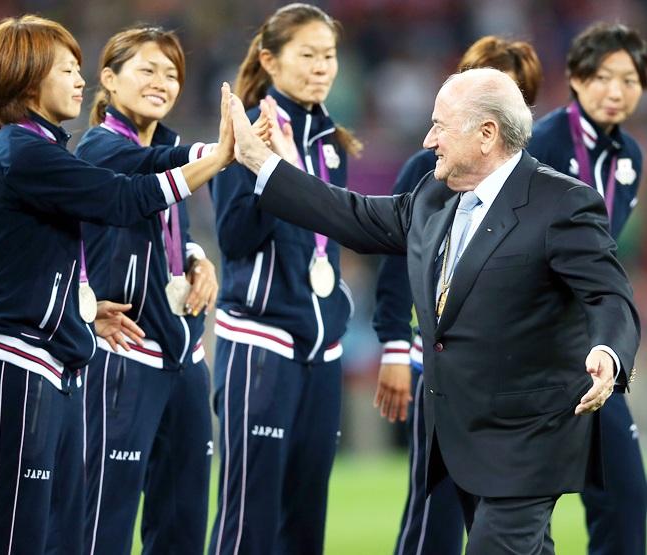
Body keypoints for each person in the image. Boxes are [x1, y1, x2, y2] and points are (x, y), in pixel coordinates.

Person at [227, 66, 640, 555]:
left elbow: (609, 295)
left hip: (530, 439)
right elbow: (351, 214)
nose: (428, 139)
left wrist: (608, 353)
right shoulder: (433, 196)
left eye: (440, 125)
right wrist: (261, 163)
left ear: (487, 134)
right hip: (459, 435)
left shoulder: (562, 202)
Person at [0, 15, 234, 554]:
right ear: (27, 81)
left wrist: (81, 309)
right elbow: (124, 197)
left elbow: (31, 258)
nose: (80, 80)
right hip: (16, 361)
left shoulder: (34, 151)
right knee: (14, 533)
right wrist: (218, 156)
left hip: (52, 357)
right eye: (67, 69)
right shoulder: (27, 152)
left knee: (58, 532)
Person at [74, 27, 246, 555]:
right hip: (124, 351)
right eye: (146, 69)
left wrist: (197, 260)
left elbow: (175, 232)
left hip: (184, 353)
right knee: (105, 517)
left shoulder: (165, 146)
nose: (161, 81)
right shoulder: (99, 148)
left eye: (171, 73)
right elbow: (150, 176)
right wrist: (218, 152)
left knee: (184, 519)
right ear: (109, 79)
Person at [372, 36, 543, 555]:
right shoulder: (429, 172)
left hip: (517, 378)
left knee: (521, 514)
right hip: (445, 371)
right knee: (435, 508)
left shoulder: (542, 186)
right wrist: (396, 347)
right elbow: (394, 262)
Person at [208, 4, 361, 554]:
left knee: (305, 522)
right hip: (261, 344)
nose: (322, 67)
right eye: (308, 55)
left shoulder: (331, 142)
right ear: (270, 61)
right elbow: (234, 239)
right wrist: (267, 165)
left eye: (329, 56)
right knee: (249, 519)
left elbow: (332, 238)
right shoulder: (247, 128)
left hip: (322, 349)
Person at [528, 22, 647, 555]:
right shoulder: (543, 142)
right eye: (602, 77)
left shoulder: (630, 161)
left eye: (629, 79)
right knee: (527, 504)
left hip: (591, 350)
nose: (616, 91)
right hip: (532, 348)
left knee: (625, 497)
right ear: (575, 78)